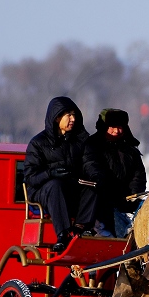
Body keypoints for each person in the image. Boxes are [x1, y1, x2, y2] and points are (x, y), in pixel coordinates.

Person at [23, 96, 97, 253]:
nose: (73, 119)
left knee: (92, 185)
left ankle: (79, 227)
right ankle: (63, 234)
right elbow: (30, 177)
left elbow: (89, 163)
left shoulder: (81, 140)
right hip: (43, 191)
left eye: (74, 115)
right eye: (68, 115)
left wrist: (96, 176)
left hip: (71, 188)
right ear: (57, 117)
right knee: (55, 185)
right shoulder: (38, 143)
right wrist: (50, 173)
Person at [82, 108, 146, 237]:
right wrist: (104, 185)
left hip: (126, 198)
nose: (116, 131)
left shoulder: (130, 149)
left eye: (120, 127)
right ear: (104, 126)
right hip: (102, 198)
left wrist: (134, 194)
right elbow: (92, 166)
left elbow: (138, 175)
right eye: (112, 127)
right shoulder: (92, 145)